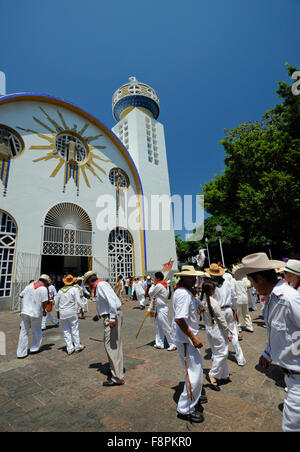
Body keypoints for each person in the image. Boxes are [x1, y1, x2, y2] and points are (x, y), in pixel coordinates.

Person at [234, 252, 300, 432]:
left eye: (252, 282)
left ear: (260, 278)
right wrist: (267, 353)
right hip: (290, 375)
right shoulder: (271, 299)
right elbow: (274, 331)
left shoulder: (289, 299)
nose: (253, 287)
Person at [172, 265, 206, 423]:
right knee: (194, 373)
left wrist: (198, 304)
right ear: (183, 277)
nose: (194, 279)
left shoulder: (186, 292)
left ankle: (193, 396)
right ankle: (185, 408)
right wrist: (193, 337)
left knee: (195, 371)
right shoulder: (183, 294)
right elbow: (179, 319)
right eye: (191, 276)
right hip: (186, 340)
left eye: (195, 276)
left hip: (186, 339)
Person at [84, 270, 124, 387]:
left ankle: (117, 377)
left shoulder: (101, 285)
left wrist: (111, 318)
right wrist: (99, 315)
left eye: (87, 284)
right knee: (113, 345)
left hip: (112, 316)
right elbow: (105, 304)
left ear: (90, 282)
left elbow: (112, 301)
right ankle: (116, 371)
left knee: (112, 346)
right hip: (109, 315)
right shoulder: (100, 285)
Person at [205, 263, 246, 366]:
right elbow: (234, 296)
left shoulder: (210, 284)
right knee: (233, 332)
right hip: (228, 309)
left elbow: (209, 300)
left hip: (217, 311)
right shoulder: (227, 282)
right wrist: (234, 308)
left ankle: (218, 355)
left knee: (218, 333)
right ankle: (240, 357)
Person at [201, 280, 233, 391]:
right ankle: (213, 374)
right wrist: (229, 331)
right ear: (211, 290)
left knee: (217, 353)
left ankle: (224, 375)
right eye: (214, 289)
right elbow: (221, 319)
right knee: (223, 353)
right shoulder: (213, 302)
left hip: (209, 330)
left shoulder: (203, 301)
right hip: (216, 330)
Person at [17, 275, 50, 358]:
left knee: (23, 332)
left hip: (25, 312)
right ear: (45, 281)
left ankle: (21, 353)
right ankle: (34, 348)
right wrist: (43, 310)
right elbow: (45, 301)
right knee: (36, 331)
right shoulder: (43, 288)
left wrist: (27, 301)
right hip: (35, 313)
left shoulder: (30, 286)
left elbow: (21, 295)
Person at [55, 274, 85, 355]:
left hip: (63, 313)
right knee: (74, 329)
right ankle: (77, 346)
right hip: (72, 312)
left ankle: (69, 348)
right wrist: (82, 307)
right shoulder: (74, 290)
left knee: (66, 331)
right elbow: (79, 301)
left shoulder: (60, 291)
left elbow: (56, 304)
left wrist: (57, 312)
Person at [148, 271, 177, 351]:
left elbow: (150, 293)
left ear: (158, 278)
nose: (154, 279)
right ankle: (159, 343)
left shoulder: (159, 285)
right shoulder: (164, 284)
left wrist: (153, 285)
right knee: (159, 326)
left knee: (165, 326)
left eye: (155, 278)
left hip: (162, 308)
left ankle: (173, 343)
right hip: (161, 307)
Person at [231, 269, 254, 333]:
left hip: (238, 299)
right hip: (245, 298)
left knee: (238, 314)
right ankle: (249, 326)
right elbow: (250, 285)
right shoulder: (244, 280)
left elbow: (232, 290)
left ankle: (238, 327)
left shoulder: (233, 280)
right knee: (246, 313)